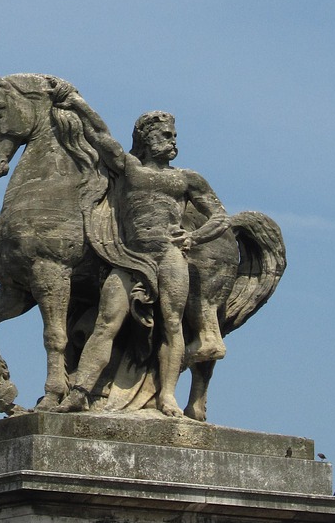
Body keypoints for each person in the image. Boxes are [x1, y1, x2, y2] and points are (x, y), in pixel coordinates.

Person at [54, 90, 233, 417]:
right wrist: (76, 102)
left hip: (169, 257)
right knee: (106, 323)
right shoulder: (129, 167)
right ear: (146, 138)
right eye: (165, 135)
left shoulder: (187, 179)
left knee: (172, 326)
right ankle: (80, 392)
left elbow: (220, 216)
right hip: (128, 258)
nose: (172, 140)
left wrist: (194, 236)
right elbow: (98, 134)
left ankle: (167, 396)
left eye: (175, 135)